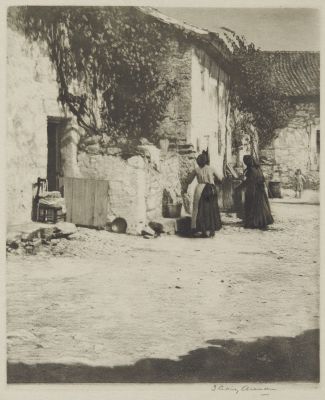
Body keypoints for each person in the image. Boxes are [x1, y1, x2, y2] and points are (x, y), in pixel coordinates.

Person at [182, 151, 222, 238]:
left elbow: (188, 180)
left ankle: (196, 228)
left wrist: (184, 188)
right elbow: (220, 179)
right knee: (211, 210)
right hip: (211, 189)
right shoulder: (211, 168)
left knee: (197, 209)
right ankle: (211, 230)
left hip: (200, 189)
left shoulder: (196, 169)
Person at [236, 155, 274, 229]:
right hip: (260, 190)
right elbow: (262, 179)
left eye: (246, 162)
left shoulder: (251, 170)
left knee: (252, 206)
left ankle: (254, 222)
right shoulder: (258, 168)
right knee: (260, 207)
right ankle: (261, 221)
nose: (245, 163)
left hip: (253, 190)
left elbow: (248, 181)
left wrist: (239, 187)